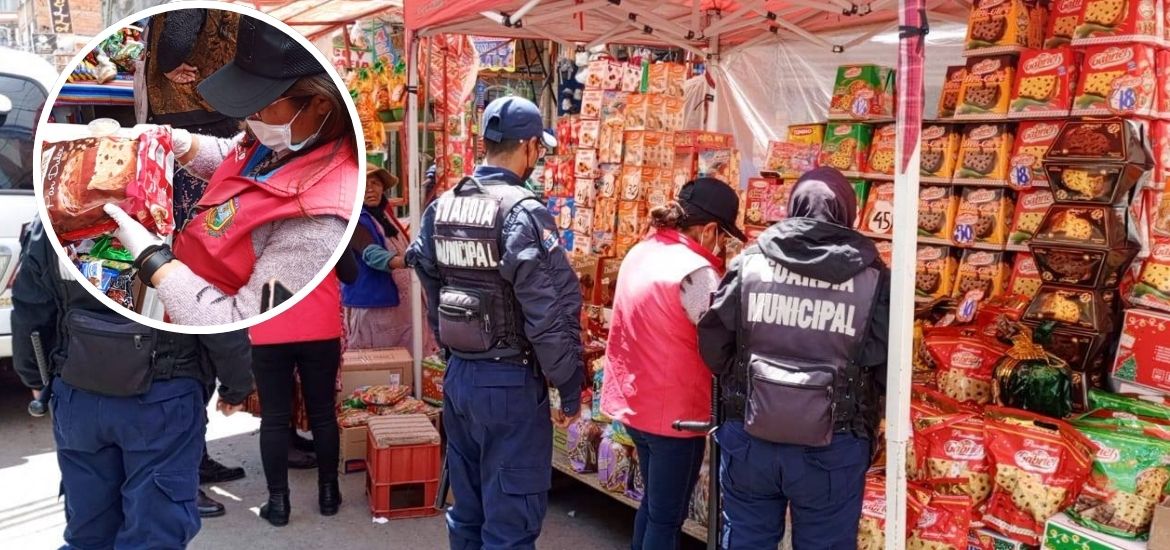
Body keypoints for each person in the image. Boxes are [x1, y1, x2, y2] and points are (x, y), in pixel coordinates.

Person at [406, 96, 585, 550]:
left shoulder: (443, 206)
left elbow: (430, 286)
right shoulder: (523, 210)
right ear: (528, 146)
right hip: (508, 384)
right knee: (510, 526)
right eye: (538, 149)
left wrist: (454, 350)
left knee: (468, 515)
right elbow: (549, 311)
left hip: (461, 377)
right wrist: (569, 384)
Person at [11, 219, 254, 549]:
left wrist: (35, 377)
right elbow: (215, 315)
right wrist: (237, 385)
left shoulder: (53, 218)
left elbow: (30, 307)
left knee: (88, 530)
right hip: (163, 398)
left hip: (79, 395)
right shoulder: (186, 218)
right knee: (154, 532)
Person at [104, 15, 358, 326]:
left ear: (321, 102)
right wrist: (181, 142)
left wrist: (152, 258)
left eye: (264, 103)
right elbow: (236, 157)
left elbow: (235, 319)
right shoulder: (287, 137)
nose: (252, 115)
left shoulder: (319, 222)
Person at [697, 167, 890, 550]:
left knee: (747, 540)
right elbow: (885, 365)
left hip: (751, 436)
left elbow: (714, 344)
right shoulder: (872, 278)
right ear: (849, 213)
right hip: (834, 445)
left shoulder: (749, 264)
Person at [136, 9, 248, 515]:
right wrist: (172, 62)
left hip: (190, 127)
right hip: (195, 127)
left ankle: (195, 460)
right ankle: (184, 471)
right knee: (194, 298)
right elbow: (180, 32)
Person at [601, 178, 745, 550]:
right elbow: (720, 340)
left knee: (653, 507)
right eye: (723, 236)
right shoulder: (695, 271)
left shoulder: (641, 251)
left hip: (635, 405)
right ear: (710, 230)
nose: (722, 245)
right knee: (666, 519)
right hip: (677, 416)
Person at [246, 251, 356, 526]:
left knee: (274, 419)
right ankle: (329, 494)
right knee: (323, 415)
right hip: (320, 325)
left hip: (268, 327)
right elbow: (350, 274)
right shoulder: (332, 228)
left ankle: (278, 502)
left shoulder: (255, 228)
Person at [140, 8, 242, 229]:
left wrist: (168, 65)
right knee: (217, 207)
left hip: (187, 108)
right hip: (225, 101)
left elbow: (176, 39)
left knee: (187, 211)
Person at [342, 167, 412, 349]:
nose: (370, 189)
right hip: (371, 306)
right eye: (363, 185)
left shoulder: (385, 215)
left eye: (375, 183)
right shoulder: (351, 219)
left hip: (399, 304)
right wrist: (404, 261)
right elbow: (371, 254)